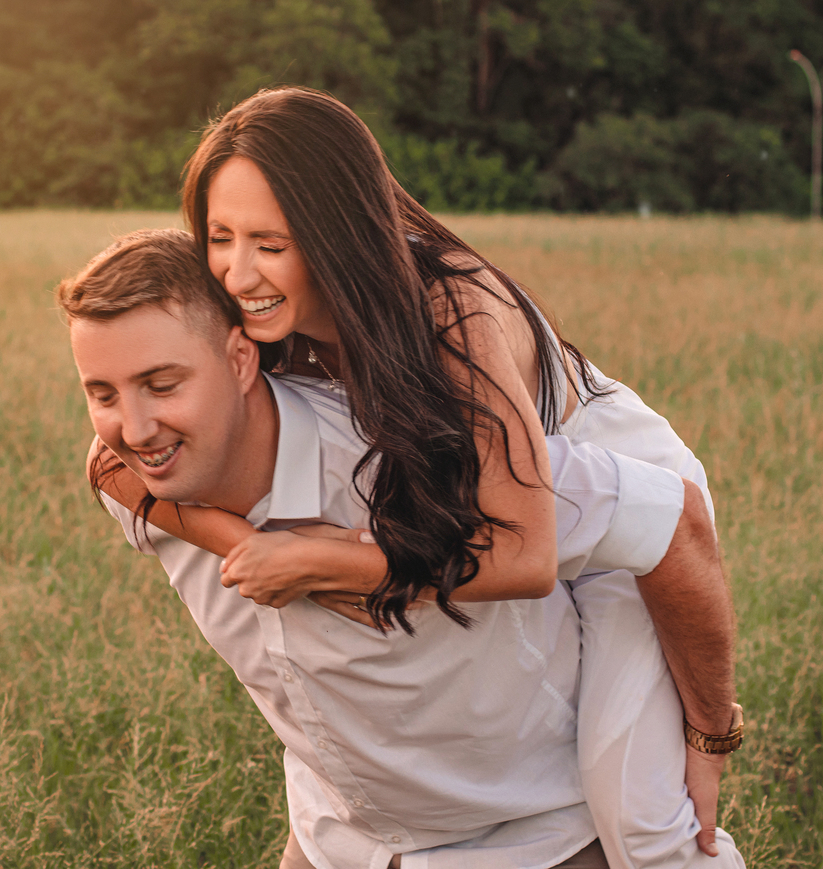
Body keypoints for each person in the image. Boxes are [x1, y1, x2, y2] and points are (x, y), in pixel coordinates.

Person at [100, 87, 744, 868]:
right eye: (220, 237)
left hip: (609, 505)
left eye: (271, 242)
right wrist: (241, 540)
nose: (237, 272)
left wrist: (334, 562)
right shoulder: (257, 320)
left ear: (334, 231)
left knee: (640, 817)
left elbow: (527, 554)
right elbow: (112, 465)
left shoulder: (447, 313)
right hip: (499, 497)